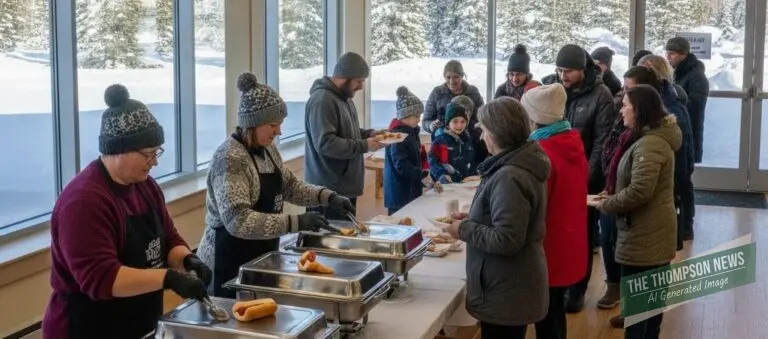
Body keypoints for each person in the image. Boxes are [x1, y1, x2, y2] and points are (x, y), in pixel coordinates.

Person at [42, 84, 211, 338]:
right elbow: (103, 279)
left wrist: (188, 260)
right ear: (118, 149)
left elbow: (168, 239)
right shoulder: (84, 202)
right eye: (148, 153)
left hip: (137, 321)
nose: (155, 161)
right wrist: (169, 279)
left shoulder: (145, 186)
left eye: (157, 152)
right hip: (88, 327)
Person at [197, 73, 355, 298]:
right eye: (273, 124)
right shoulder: (230, 159)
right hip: (226, 262)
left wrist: (327, 196)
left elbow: (290, 187)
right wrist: (296, 222)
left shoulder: (268, 151)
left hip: (259, 255)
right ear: (252, 123)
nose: (279, 131)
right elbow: (238, 221)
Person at [445, 97, 549, 339]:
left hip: (506, 289)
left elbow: (507, 239)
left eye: (485, 131)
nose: (482, 138)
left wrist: (464, 228)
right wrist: (472, 218)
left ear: (498, 133)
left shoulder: (509, 176)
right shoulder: (519, 164)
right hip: (511, 284)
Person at [597, 84, 681, 339]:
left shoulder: (650, 144)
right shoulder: (648, 138)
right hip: (649, 233)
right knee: (649, 307)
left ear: (640, 110)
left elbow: (640, 191)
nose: (621, 111)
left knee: (638, 310)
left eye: (626, 105)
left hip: (645, 235)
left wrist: (607, 204)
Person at [542, 44, 615, 313]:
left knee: (581, 235)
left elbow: (601, 142)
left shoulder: (601, 94)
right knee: (554, 233)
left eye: (569, 71)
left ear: (582, 69)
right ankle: (554, 286)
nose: (563, 76)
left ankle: (577, 290)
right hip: (552, 173)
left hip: (585, 178)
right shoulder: (551, 87)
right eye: (560, 70)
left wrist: (583, 177)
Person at [521, 84, 588, 339]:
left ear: (535, 117)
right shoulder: (570, 142)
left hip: (549, 246)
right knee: (555, 312)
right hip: (568, 241)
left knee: (547, 317)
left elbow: (536, 204)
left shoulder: (543, 153)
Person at [304, 52, 384, 221]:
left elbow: (347, 132)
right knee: (329, 244)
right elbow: (326, 143)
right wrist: (364, 145)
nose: (361, 87)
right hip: (327, 193)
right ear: (345, 77)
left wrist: (369, 134)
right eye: (359, 81)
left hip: (343, 188)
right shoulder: (322, 101)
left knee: (344, 241)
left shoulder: (344, 98)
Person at [624, 66, 694, 252]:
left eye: (629, 90)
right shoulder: (644, 127)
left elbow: (641, 189)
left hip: (650, 221)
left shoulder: (653, 137)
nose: (624, 94)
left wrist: (610, 204)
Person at [421, 60, 488, 163]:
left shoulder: (472, 92)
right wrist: (431, 125)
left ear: (462, 76)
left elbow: (482, 117)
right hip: (444, 143)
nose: (452, 81)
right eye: (448, 77)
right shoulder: (437, 93)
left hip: (470, 142)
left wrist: (471, 126)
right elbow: (426, 120)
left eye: (456, 77)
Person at [384, 86, 433, 215]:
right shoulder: (397, 136)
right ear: (405, 116)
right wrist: (422, 174)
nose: (419, 119)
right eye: (416, 115)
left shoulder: (411, 133)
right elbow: (402, 166)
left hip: (409, 192)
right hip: (400, 195)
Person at [666, 37, 709, 167]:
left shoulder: (696, 76)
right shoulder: (676, 72)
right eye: (667, 52)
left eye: (672, 53)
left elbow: (695, 107)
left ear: (683, 54)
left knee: (683, 171)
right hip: (677, 128)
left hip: (687, 130)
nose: (668, 57)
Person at [429, 103, 477, 184]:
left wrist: (473, 173)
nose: (459, 125)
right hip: (445, 183)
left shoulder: (467, 140)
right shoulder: (440, 141)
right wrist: (441, 174)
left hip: (463, 183)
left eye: (463, 121)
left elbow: (471, 160)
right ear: (448, 123)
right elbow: (432, 161)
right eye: (455, 121)